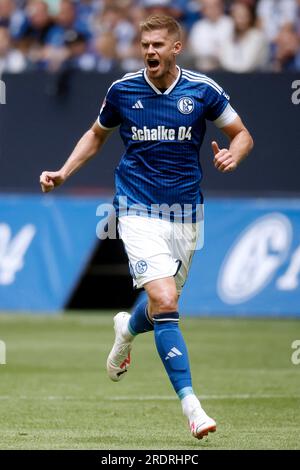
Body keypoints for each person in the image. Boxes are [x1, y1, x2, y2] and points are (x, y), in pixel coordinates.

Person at [40, 15, 253, 440]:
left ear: (176, 48)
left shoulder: (202, 90)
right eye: (145, 45)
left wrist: (234, 154)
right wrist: (64, 172)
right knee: (164, 297)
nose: (150, 52)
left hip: (187, 215)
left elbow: (242, 133)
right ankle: (192, 406)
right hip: (136, 209)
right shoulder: (122, 90)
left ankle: (126, 329)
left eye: (159, 45)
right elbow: (96, 135)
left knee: (160, 308)